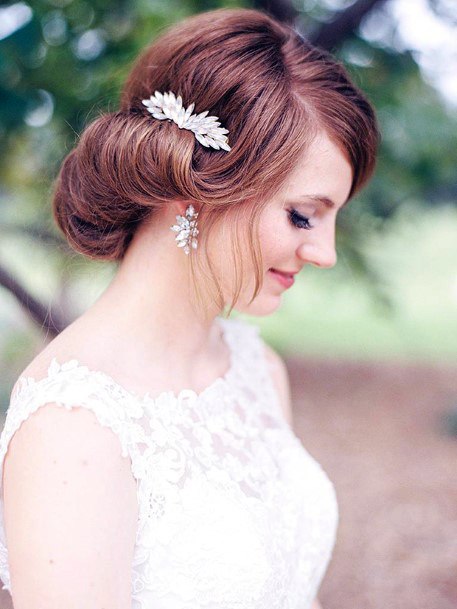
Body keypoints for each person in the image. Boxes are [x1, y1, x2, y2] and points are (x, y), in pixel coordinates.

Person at [0, 6, 379, 609]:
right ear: (195, 185)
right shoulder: (75, 424)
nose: (325, 252)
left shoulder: (256, 367)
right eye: (303, 214)